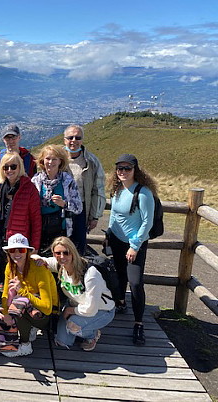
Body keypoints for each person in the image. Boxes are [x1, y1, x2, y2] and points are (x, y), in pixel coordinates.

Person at [107, 154, 156, 345]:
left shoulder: (143, 193)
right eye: (120, 168)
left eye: (127, 168)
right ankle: (120, 303)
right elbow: (114, 215)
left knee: (135, 283)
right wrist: (108, 236)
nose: (123, 172)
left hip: (134, 245)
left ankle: (138, 323)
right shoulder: (118, 190)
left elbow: (147, 223)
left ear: (136, 170)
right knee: (119, 276)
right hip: (117, 241)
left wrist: (135, 246)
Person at [39, 236, 115, 351]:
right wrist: (33, 258)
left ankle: (92, 334)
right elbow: (41, 260)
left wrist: (70, 311)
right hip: (77, 306)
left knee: (74, 327)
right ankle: (82, 327)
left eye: (66, 253)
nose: (62, 257)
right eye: (57, 253)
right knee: (62, 341)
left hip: (101, 310)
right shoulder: (60, 265)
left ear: (73, 252)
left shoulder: (90, 274)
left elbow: (91, 309)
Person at [0, 152, 42, 297]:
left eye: (13, 166)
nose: (9, 170)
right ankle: (3, 291)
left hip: (19, 237)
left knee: (19, 268)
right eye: (6, 167)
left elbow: (36, 218)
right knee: (0, 261)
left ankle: (19, 300)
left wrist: (34, 244)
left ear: (20, 167)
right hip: (0, 234)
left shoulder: (29, 188)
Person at [0, 233, 58, 357]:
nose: (17, 254)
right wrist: (6, 314)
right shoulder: (10, 267)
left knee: (18, 306)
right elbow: (5, 294)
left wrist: (22, 291)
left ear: (28, 252)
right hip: (28, 308)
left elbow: (47, 308)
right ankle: (28, 328)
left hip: (44, 316)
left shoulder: (39, 269)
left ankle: (25, 344)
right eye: (12, 250)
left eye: (21, 250)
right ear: (8, 253)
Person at [63, 124, 106, 255]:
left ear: (82, 140)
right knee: (59, 247)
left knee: (78, 249)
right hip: (59, 210)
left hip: (80, 211)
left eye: (78, 137)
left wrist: (94, 216)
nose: (74, 141)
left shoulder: (92, 161)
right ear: (64, 139)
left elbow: (98, 190)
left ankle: (77, 275)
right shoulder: (57, 158)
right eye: (70, 137)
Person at [32, 144, 82, 256]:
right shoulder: (35, 180)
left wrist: (64, 204)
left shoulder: (67, 181)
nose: (51, 162)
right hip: (40, 229)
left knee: (60, 261)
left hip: (61, 229)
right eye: (47, 159)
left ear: (60, 161)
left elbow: (78, 207)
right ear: (42, 161)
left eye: (54, 159)